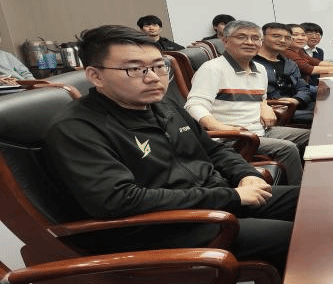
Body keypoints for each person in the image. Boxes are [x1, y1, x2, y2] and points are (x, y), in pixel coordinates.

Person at [44, 25, 297, 271]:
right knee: (301, 236)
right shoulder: (77, 128)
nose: (153, 78)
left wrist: (246, 175)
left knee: (311, 203)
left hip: (212, 201)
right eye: (135, 69)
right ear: (95, 76)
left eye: (159, 66)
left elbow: (213, 150)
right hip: (162, 227)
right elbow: (119, 200)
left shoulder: (163, 105)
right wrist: (230, 196)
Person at [185, 20, 310, 185]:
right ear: (225, 41)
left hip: (260, 130)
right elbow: (194, 104)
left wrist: (264, 106)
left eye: (255, 38)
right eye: (242, 37)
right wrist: (219, 127)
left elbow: (261, 97)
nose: (250, 42)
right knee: (288, 148)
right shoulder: (212, 69)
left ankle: (312, 181)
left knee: (311, 136)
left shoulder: (260, 69)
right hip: (233, 137)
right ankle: (298, 192)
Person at [253, 22, 315, 124]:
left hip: (294, 104)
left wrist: (296, 100)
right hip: (270, 109)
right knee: (323, 115)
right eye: (276, 36)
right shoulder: (251, 63)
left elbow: (304, 88)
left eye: (287, 38)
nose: (282, 40)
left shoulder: (290, 64)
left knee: (329, 106)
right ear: (262, 38)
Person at [284, 23, 333, 90]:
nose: (300, 38)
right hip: (293, 90)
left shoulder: (298, 51)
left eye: (303, 35)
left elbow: (316, 62)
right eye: (295, 35)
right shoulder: (287, 52)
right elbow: (309, 69)